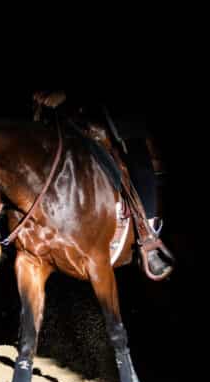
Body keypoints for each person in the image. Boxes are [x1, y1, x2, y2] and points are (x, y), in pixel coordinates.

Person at [32, 90, 173, 279]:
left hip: (115, 107)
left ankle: (149, 239)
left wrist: (66, 93)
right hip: (71, 114)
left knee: (137, 157)